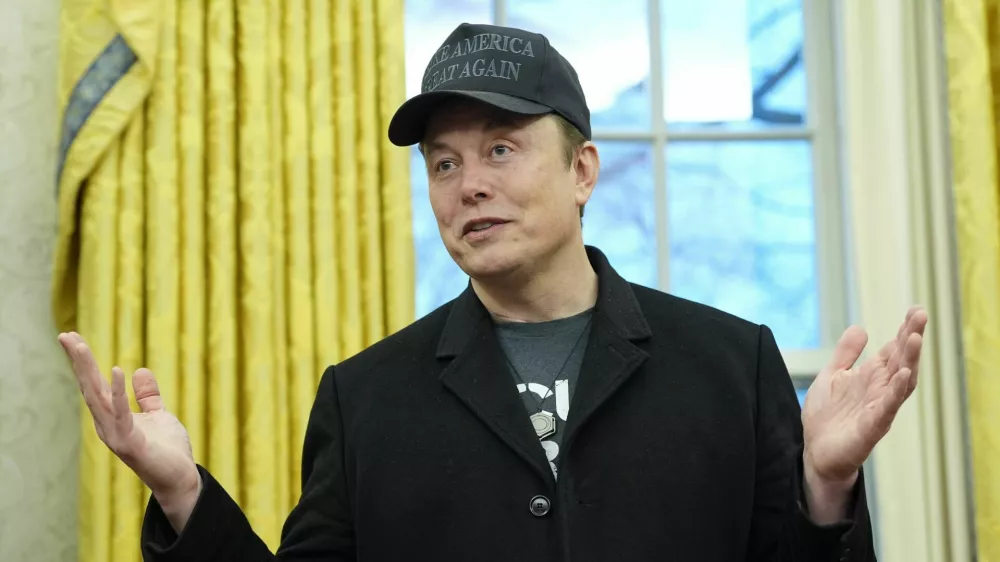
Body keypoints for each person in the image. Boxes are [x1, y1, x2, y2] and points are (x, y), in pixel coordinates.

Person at [59, 22, 927, 562]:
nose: (468, 183)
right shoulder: (363, 399)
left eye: (502, 149)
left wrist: (823, 487)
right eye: (444, 162)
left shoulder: (731, 365)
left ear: (583, 170)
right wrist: (183, 496)